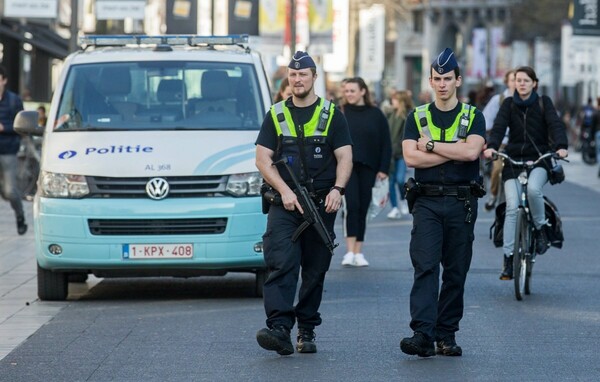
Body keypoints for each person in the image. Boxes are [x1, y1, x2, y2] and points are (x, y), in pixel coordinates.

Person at [255, 51, 353, 355]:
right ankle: (280, 328)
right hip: (284, 204)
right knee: (281, 263)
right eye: (293, 74)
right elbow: (262, 159)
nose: (297, 79)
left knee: (314, 270)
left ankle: (306, 327)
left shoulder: (331, 113)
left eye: (303, 74)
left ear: (314, 77)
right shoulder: (276, 114)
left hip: (322, 205)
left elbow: (345, 156)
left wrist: (338, 189)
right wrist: (284, 191)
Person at [399, 48, 486, 357]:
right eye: (437, 79)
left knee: (455, 270)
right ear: (431, 80)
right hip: (427, 202)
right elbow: (411, 157)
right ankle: (422, 333)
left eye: (448, 79)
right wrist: (454, 149)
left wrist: (433, 147)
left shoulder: (473, 115)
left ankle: (446, 334)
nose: (442, 84)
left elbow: (471, 153)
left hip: (461, 203)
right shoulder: (417, 115)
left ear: (458, 80)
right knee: (424, 266)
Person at [483, 66, 568, 280]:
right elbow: (499, 127)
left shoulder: (543, 103)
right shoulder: (508, 104)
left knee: (533, 190)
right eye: (518, 80)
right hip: (513, 161)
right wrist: (492, 146)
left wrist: (560, 145)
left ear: (534, 84)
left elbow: (555, 125)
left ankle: (539, 230)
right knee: (512, 206)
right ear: (513, 83)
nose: (521, 84)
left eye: (526, 80)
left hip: (539, 159)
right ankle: (508, 260)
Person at [339, 77, 392, 267]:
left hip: (370, 167)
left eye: (352, 91)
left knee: (363, 208)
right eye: (346, 91)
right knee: (351, 206)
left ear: (363, 91)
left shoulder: (376, 114)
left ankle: (358, 251)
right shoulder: (340, 113)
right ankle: (349, 251)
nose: (349, 94)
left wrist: (384, 169)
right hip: (347, 168)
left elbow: (386, 143)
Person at [482, 69, 516, 211]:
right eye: (513, 80)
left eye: (520, 80)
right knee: (497, 170)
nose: (517, 83)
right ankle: (493, 194)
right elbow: (486, 121)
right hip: (502, 145)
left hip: (521, 146)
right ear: (507, 82)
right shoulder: (499, 100)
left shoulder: (529, 100)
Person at [0, 65, 27, 235]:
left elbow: (22, 126)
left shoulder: (14, 100)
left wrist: (4, 127)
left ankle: (20, 215)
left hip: (8, 150)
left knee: (10, 191)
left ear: (4, 80)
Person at [387, 90, 414, 219]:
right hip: (390, 154)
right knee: (390, 182)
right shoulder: (390, 114)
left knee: (399, 179)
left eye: (395, 99)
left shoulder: (408, 116)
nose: (393, 102)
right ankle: (394, 208)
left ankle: (403, 200)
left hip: (401, 153)